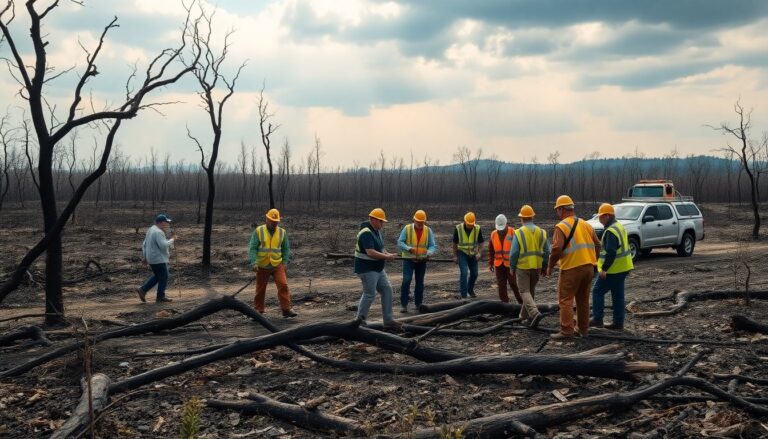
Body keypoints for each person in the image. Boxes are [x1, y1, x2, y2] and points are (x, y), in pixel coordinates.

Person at [547, 195, 601, 339]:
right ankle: (583, 330)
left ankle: (566, 331)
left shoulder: (561, 226)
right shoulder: (586, 224)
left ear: (560, 209)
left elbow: (556, 249)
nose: (557, 212)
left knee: (565, 299)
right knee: (583, 300)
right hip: (589, 267)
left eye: (557, 209)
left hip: (571, 268)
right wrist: (594, 261)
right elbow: (598, 244)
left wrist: (550, 266)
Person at [354, 208, 401, 329]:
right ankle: (359, 322)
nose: (382, 224)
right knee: (369, 294)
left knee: (387, 289)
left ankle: (388, 320)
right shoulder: (366, 232)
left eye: (382, 221)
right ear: (372, 219)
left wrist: (388, 254)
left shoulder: (377, 231)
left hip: (378, 268)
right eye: (380, 221)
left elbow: (380, 248)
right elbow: (370, 252)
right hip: (367, 268)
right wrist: (386, 257)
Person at [590, 203, 634, 330]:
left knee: (597, 291)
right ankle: (618, 323)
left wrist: (604, 269)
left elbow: (611, 252)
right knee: (618, 294)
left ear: (607, 216)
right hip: (624, 267)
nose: (599, 219)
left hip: (613, 269)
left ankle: (597, 319)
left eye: (601, 217)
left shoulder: (610, 231)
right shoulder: (619, 226)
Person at [248, 208, 297, 318]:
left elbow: (285, 249)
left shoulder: (282, 232)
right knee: (260, 289)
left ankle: (286, 309)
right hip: (262, 265)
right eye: (272, 221)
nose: (274, 223)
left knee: (283, 285)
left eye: (276, 222)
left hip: (277, 264)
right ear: (266, 219)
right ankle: (258, 311)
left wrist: (284, 262)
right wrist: (253, 262)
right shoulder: (259, 231)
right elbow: (253, 248)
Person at [509, 205, 550, 328]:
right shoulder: (542, 232)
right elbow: (547, 251)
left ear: (522, 218)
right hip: (536, 267)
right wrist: (544, 266)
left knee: (524, 291)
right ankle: (523, 317)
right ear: (532, 217)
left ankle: (534, 313)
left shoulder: (519, 232)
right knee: (530, 292)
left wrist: (512, 266)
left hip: (523, 266)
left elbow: (514, 252)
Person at [397, 209, 437, 313]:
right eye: (418, 221)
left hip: (422, 260)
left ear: (424, 221)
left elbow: (432, 245)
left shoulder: (428, 230)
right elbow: (400, 242)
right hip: (408, 259)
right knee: (406, 280)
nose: (419, 223)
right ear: (414, 219)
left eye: (421, 222)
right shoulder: (407, 228)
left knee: (420, 282)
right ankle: (404, 304)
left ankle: (418, 304)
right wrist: (408, 248)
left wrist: (429, 253)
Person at [138, 214, 176, 303]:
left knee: (158, 276)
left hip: (152, 258)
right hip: (158, 259)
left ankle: (143, 290)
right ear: (161, 222)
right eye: (166, 222)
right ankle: (160, 297)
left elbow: (144, 244)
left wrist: (145, 257)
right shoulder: (158, 232)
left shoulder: (151, 229)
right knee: (164, 276)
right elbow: (163, 245)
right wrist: (172, 240)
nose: (167, 224)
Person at [488, 214, 521, 304]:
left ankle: (521, 302)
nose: (501, 231)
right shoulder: (493, 234)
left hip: (510, 264)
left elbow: (518, 248)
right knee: (501, 286)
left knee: (513, 283)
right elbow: (491, 249)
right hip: (498, 264)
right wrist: (491, 262)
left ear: (506, 224)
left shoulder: (513, 232)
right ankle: (504, 304)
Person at [453, 212, 483, 298]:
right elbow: (454, 243)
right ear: (464, 221)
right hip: (462, 253)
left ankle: (470, 289)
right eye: (469, 224)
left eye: (471, 224)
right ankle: (464, 295)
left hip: (473, 253)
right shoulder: (458, 228)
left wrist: (479, 253)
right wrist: (455, 256)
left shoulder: (477, 228)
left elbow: (481, 242)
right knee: (464, 272)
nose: (470, 226)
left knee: (475, 273)